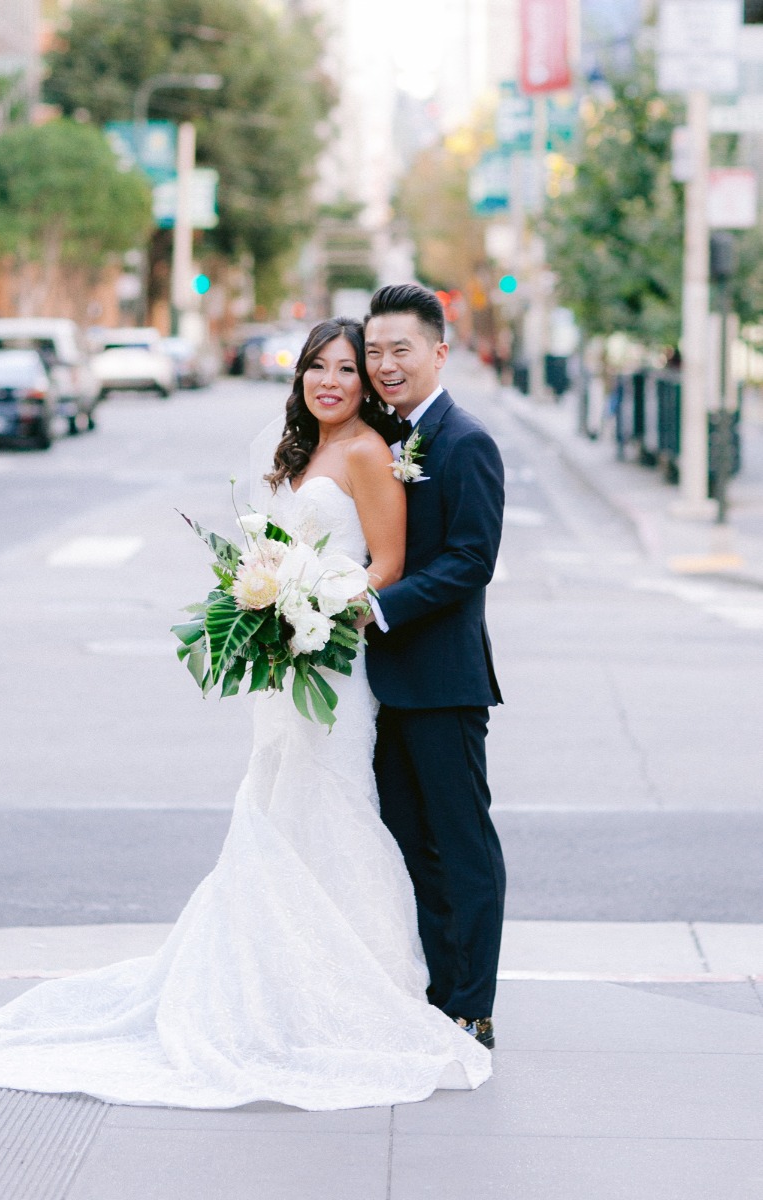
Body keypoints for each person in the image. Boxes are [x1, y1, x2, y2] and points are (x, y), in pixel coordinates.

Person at [0, 317, 491, 1110]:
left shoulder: (367, 453)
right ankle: (273, 988)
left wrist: (320, 603)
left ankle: (363, 990)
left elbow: (385, 566)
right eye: (316, 367)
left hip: (342, 657)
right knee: (276, 804)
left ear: (367, 383)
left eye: (347, 368)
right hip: (291, 665)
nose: (330, 381)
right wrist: (267, 601)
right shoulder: (294, 451)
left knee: (340, 804)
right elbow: (269, 547)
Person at [363, 284, 505, 1049]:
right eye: (375, 351)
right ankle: (434, 994)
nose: (386, 364)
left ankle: (472, 1007)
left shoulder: (463, 440)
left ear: (438, 352)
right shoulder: (377, 437)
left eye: (401, 349)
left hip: (444, 680)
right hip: (378, 685)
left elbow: (471, 560)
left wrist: (376, 606)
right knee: (408, 844)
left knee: (461, 845)